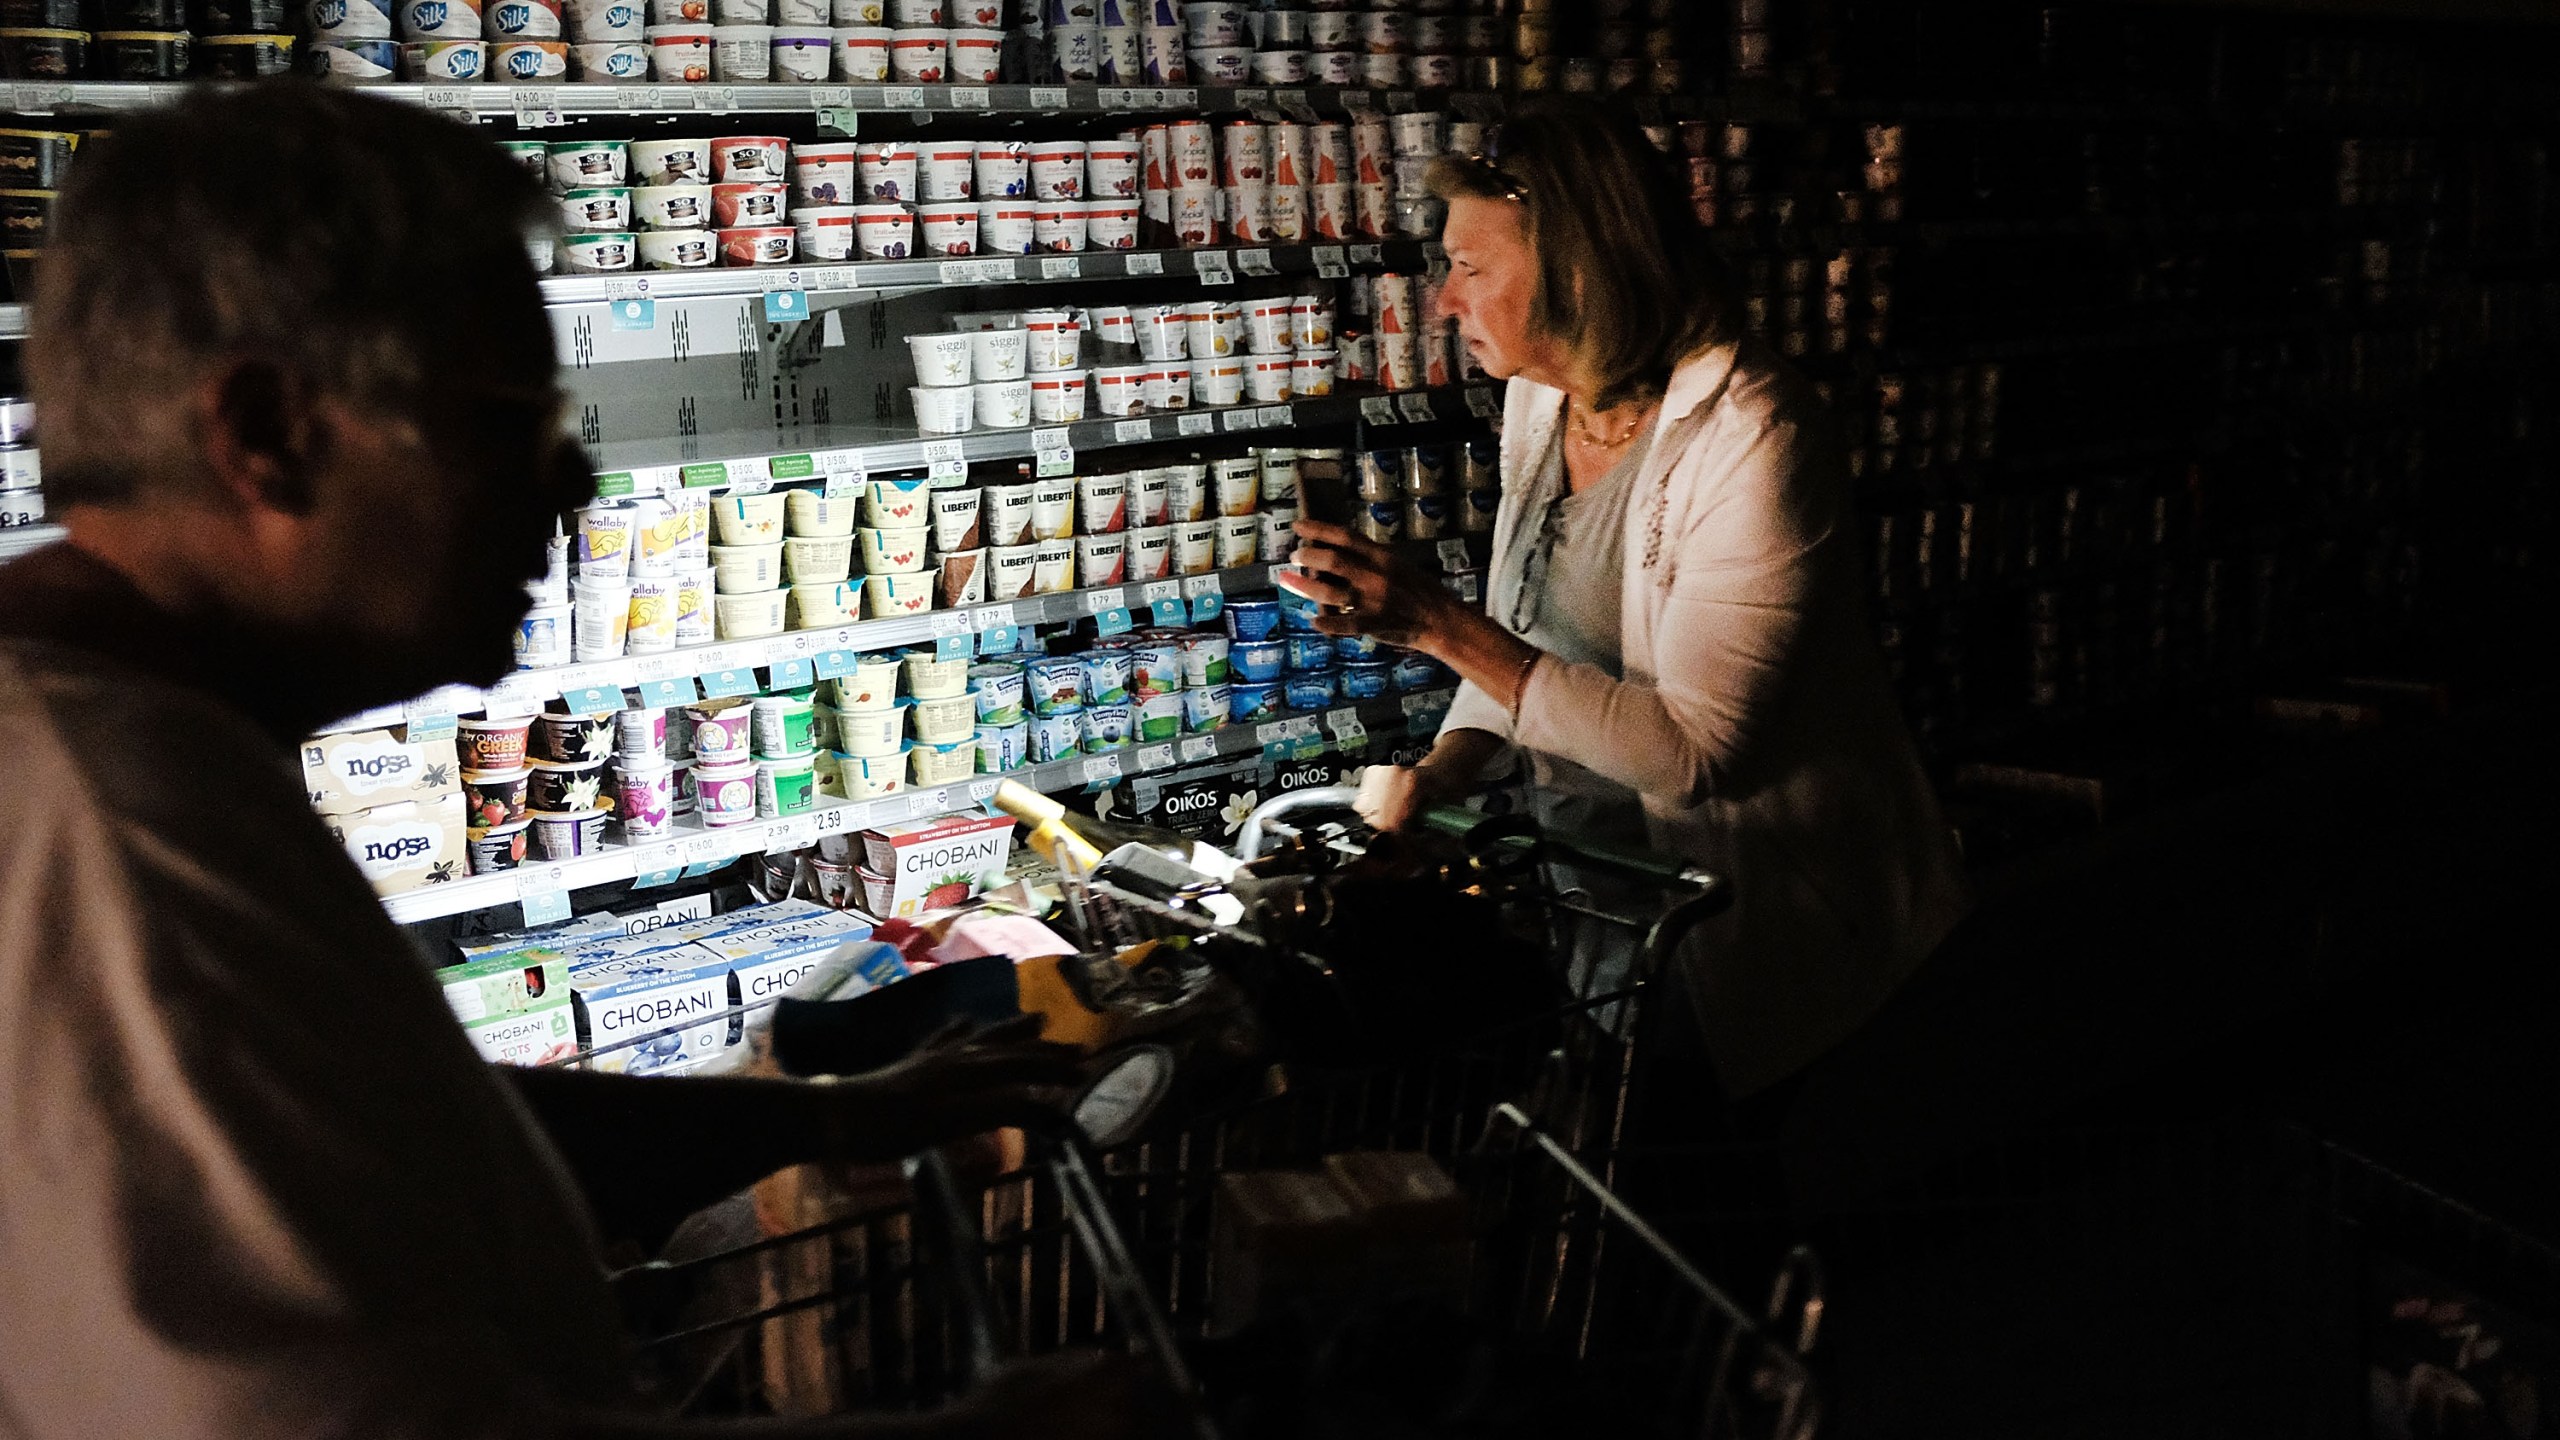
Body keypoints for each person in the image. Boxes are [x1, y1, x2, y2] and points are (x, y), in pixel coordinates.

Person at [0, 86, 1177, 1440]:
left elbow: (403, 1134)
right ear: (267, 437)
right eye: (507, 421)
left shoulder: (138, 751)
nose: (574, 489)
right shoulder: (121, 838)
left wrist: (824, 1121)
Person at [1280, 97, 1971, 1114]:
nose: (1442, 301)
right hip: (1601, 921)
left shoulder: (1753, 436)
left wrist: (1435, 623)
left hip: (1757, 929)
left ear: (1572, 266)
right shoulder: (1540, 400)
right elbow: (1530, 648)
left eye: (1469, 267)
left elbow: (1692, 755)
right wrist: (1442, 773)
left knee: (1722, 1229)